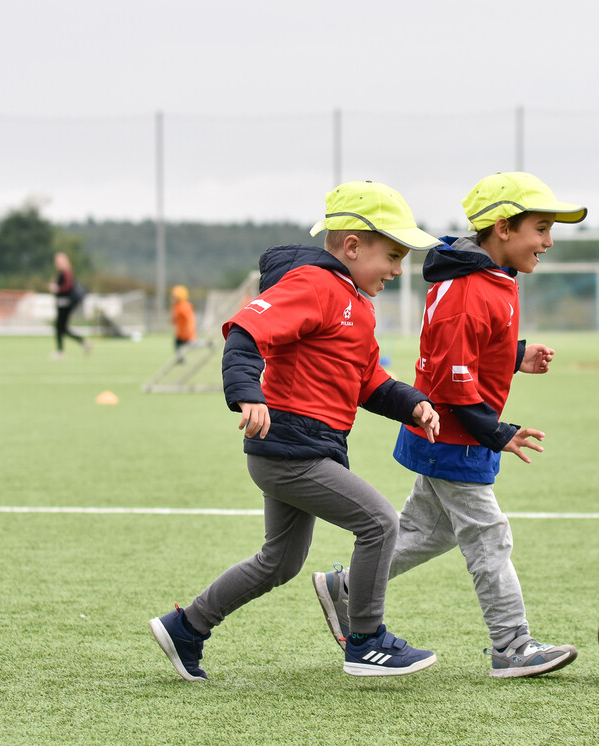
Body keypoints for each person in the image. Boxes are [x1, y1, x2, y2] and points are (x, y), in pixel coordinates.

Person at [149, 181, 443, 681]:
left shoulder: (356, 302)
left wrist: (412, 404)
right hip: (290, 450)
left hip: (305, 448)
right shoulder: (314, 285)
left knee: (280, 561)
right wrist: (247, 393)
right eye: (392, 256)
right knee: (379, 522)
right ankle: (367, 640)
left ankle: (186, 627)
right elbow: (246, 331)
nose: (398, 270)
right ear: (352, 246)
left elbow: (367, 382)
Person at [312, 172, 586, 679]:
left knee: (429, 531)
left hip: (456, 434)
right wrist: (500, 432)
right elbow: (454, 380)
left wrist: (516, 356)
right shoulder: (466, 290)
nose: (548, 241)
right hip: (453, 435)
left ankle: (347, 586)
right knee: (489, 536)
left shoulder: (493, 279)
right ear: (502, 228)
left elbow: (477, 353)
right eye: (541, 229)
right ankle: (512, 645)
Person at [48, 252, 89, 359]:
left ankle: (60, 351)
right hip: (64, 302)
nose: (56, 263)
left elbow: (67, 286)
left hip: (65, 302)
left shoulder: (67, 272)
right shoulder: (63, 272)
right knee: (62, 328)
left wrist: (56, 288)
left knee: (59, 327)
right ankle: (82, 342)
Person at [170, 285, 197, 353]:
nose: (173, 298)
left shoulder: (184, 307)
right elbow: (174, 320)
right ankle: (180, 358)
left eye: (175, 297)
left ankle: (207, 344)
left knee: (193, 345)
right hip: (180, 333)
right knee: (177, 344)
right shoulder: (176, 306)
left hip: (186, 333)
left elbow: (190, 319)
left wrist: (189, 330)